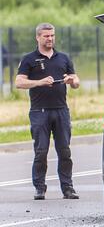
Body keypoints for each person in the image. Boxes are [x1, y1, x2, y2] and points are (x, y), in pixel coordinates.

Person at [14, 23, 80, 200]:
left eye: (52, 35)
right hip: (39, 112)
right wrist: (39, 82)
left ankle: (68, 188)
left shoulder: (63, 58)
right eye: (46, 36)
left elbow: (76, 81)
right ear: (38, 37)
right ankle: (40, 188)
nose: (50, 39)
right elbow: (19, 82)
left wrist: (71, 80)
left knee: (64, 151)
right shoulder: (29, 59)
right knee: (41, 151)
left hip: (61, 111)